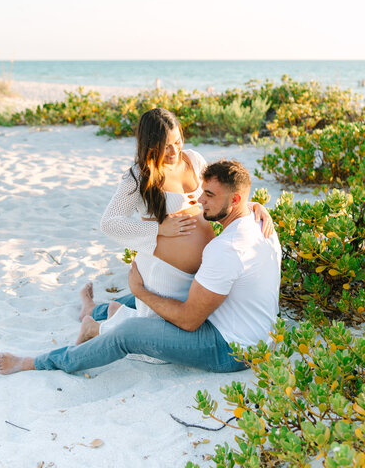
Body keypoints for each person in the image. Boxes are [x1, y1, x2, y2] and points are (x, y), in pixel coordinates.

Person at [0, 159, 281, 376]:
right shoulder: (260, 223)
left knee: (129, 331)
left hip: (230, 350)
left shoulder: (225, 248)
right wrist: (256, 204)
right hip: (256, 334)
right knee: (156, 294)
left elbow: (189, 321)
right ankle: (93, 311)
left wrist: (139, 290)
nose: (199, 200)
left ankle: (39, 362)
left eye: (209, 195)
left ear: (235, 200)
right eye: (201, 191)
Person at [77, 108, 273, 347]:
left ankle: (103, 310)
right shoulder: (138, 177)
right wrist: (159, 229)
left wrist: (251, 204)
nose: (174, 151)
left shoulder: (193, 159)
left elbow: (218, 193)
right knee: (159, 337)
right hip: (164, 272)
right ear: (150, 144)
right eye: (166, 146)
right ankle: (93, 326)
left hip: (202, 271)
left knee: (181, 325)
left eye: (178, 142)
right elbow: (109, 223)